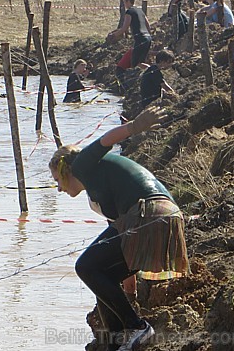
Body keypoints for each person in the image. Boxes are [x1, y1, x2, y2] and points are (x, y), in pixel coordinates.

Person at [49, 107, 188, 350]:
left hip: (149, 214)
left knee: (84, 266)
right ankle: (114, 340)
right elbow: (123, 248)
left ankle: (136, 326)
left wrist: (135, 126)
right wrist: (129, 292)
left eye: (57, 181)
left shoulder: (81, 164)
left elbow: (106, 140)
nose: (59, 188)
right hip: (165, 218)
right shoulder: (101, 190)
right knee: (100, 274)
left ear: (65, 170)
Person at [107, 0, 152, 70]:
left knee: (135, 63)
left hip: (140, 39)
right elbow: (148, 26)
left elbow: (124, 28)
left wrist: (113, 35)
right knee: (141, 62)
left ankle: (153, 70)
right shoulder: (140, 11)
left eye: (124, 2)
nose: (124, 4)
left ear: (128, 2)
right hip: (148, 38)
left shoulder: (129, 12)